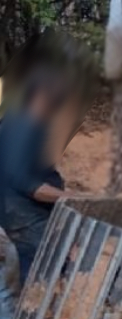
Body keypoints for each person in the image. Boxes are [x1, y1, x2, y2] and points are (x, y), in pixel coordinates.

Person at [0, 67, 78, 283]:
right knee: (41, 279)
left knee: (29, 273)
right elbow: (29, 185)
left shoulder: (19, 123)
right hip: (25, 216)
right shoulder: (23, 125)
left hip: (20, 215)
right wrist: (73, 197)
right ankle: (35, 316)